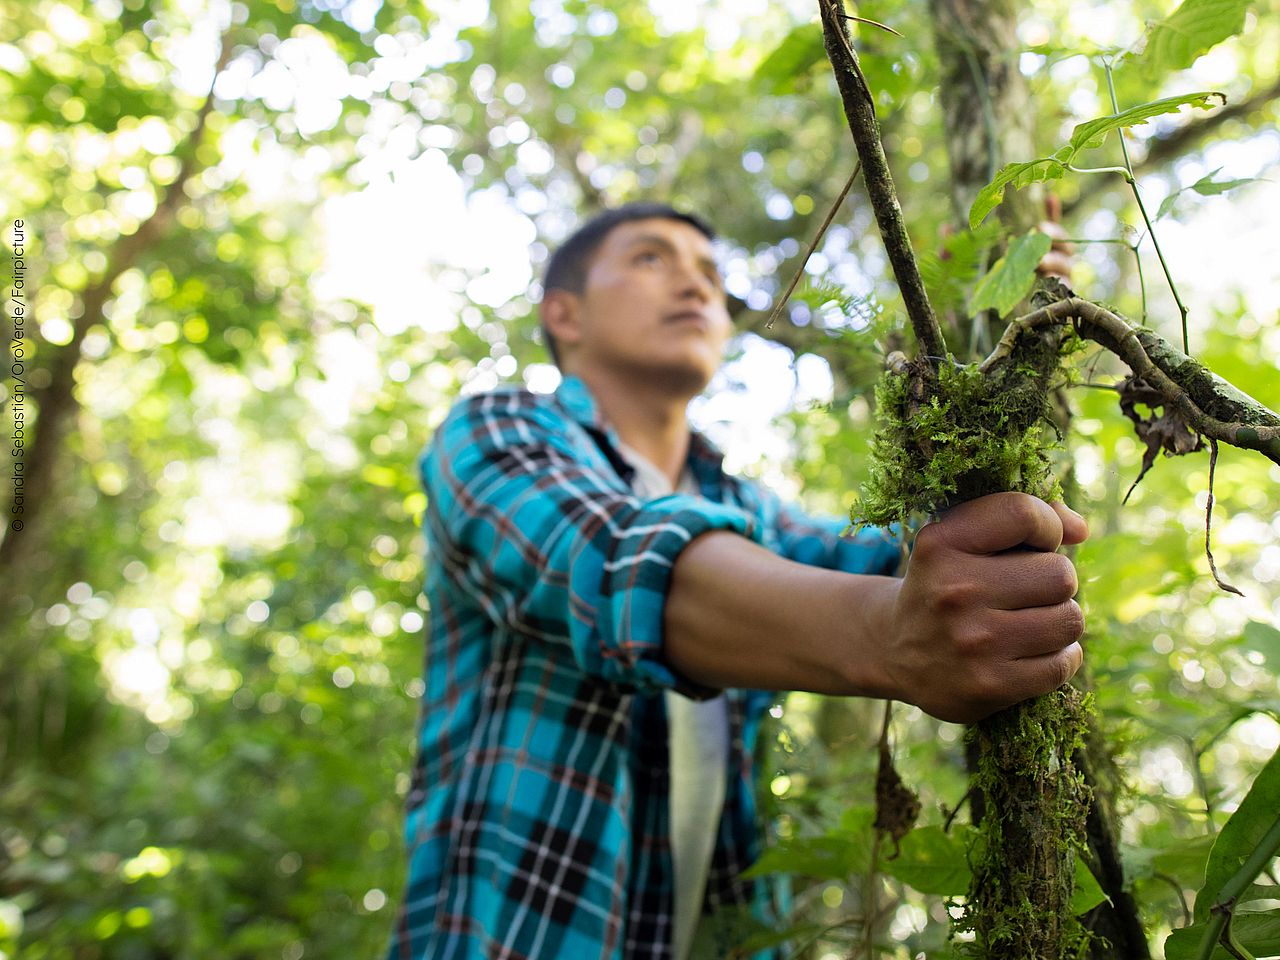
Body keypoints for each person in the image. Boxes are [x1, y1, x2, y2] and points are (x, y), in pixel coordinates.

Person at [385, 203, 1087, 960]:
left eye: (713, 277)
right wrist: (886, 634)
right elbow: (609, 561)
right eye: (652, 259)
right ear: (565, 313)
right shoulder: (496, 431)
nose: (694, 283)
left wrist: (986, 327)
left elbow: (912, 560)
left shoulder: (742, 508)